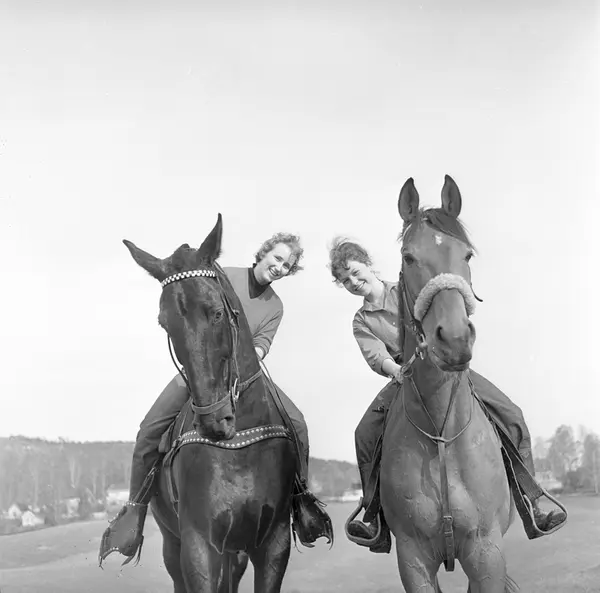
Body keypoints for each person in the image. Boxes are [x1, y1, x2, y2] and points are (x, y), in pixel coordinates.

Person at [328, 238, 566, 547]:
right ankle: (374, 517)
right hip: (404, 376)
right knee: (364, 433)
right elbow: (375, 354)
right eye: (345, 280)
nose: (353, 282)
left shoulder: (406, 290)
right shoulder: (362, 320)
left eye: (355, 272)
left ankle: (533, 505)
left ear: (368, 264)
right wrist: (395, 369)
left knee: (512, 415)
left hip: (447, 368)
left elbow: (442, 312)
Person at [102, 232, 325, 561]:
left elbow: (261, 345)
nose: (280, 267)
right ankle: (133, 512)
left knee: (298, 423)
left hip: (245, 374)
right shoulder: (221, 276)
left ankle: (301, 502)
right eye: (277, 258)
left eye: (287, 266)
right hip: (201, 370)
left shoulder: (275, 306)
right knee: (149, 430)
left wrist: (243, 361)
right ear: (263, 253)